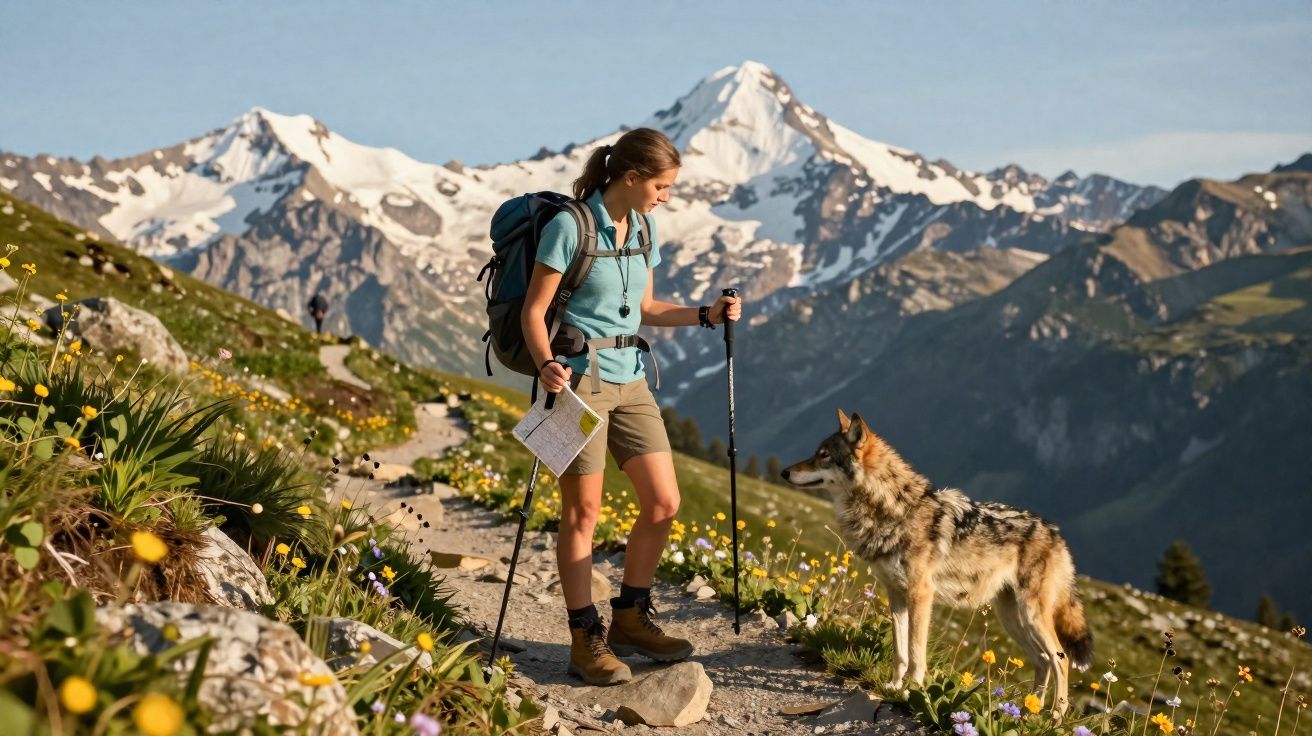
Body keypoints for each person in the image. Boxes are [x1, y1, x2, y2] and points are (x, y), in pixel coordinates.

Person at [522, 129, 742, 685]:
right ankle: (584, 637)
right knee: (583, 514)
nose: (666, 196)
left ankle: (629, 617)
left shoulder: (643, 226)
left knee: (664, 502)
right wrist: (547, 363)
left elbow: (643, 307)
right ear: (630, 177)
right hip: (579, 381)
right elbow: (533, 310)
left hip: (632, 379)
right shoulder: (569, 226)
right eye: (662, 186)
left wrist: (704, 315)